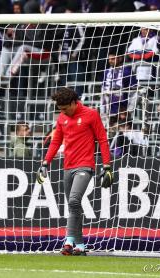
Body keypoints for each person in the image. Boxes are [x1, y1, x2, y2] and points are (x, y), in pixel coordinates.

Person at [36, 87, 113, 256]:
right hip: (67, 167)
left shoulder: (91, 114)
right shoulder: (63, 118)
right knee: (74, 207)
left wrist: (107, 166)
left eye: (64, 108)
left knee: (73, 199)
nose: (62, 112)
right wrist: (44, 163)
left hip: (85, 165)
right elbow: (56, 142)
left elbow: (102, 139)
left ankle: (69, 241)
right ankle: (80, 245)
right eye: (60, 110)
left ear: (73, 102)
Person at [101, 50, 137, 129]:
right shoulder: (106, 71)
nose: (110, 61)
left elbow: (134, 90)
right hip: (109, 107)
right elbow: (103, 89)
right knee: (109, 130)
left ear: (120, 58)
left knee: (124, 131)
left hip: (123, 108)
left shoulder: (127, 71)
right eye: (109, 59)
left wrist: (130, 108)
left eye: (113, 59)